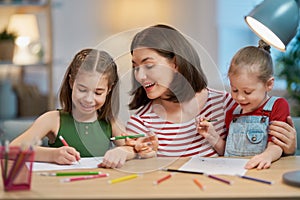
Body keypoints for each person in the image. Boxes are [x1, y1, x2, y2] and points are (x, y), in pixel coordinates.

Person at [125, 24, 296, 158]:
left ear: (175, 64)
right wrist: (138, 154)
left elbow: (258, 149)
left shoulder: (228, 104)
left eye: (148, 65)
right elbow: (138, 170)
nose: (139, 76)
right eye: (135, 67)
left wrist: (288, 148)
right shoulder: (140, 123)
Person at [10, 49, 135, 168]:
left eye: (98, 93)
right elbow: (12, 150)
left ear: (109, 90)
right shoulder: (53, 120)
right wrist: (52, 155)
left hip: (99, 186)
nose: (88, 99)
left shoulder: (110, 122)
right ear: (71, 82)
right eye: (82, 90)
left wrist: (122, 150)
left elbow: (133, 148)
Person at [197, 40, 290, 169]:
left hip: (262, 172)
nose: (239, 97)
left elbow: (277, 144)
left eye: (247, 92)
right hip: (236, 174)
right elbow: (228, 152)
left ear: (268, 84)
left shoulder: (278, 106)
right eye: (234, 90)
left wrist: (266, 156)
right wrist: (213, 137)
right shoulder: (233, 113)